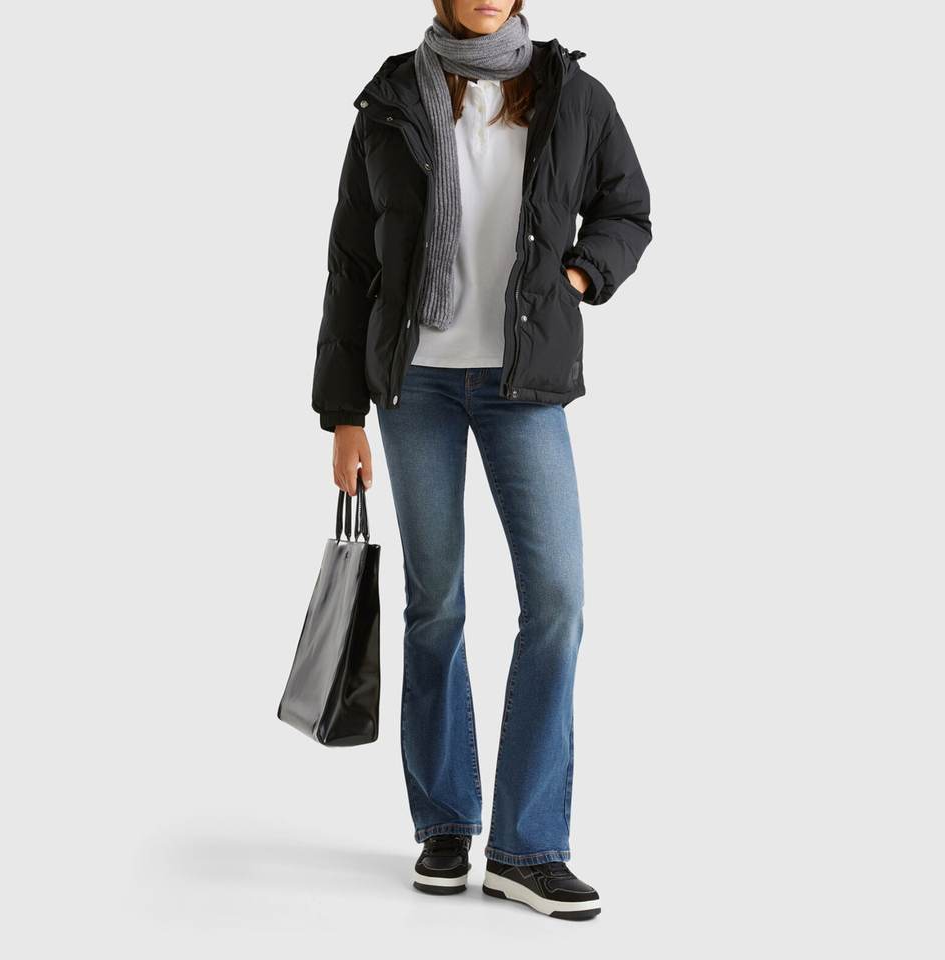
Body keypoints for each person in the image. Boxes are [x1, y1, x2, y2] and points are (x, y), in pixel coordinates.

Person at [311, 0, 651, 920]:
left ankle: (528, 846)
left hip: (522, 381)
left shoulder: (571, 93)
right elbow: (351, 262)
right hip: (413, 384)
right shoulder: (392, 97)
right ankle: (445, 824)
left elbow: (627, 209)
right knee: (437, 604)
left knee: (558, 601)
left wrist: (576, 275)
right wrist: (342, 415)